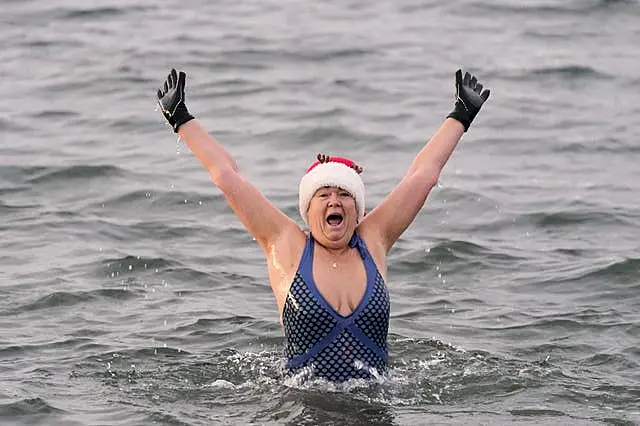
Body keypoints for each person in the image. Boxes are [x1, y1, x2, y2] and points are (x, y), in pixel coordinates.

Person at [156, 68, 490, 382]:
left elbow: (422, 177)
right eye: (324, 194)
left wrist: (461, 115)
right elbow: (228, 176)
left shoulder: (373, 241)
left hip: (375, 404)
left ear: (357, 209)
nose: (334, 201)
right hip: (304, 406)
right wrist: (181, 119)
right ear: (308, 208)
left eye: (344, 194)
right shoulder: (286, 245)